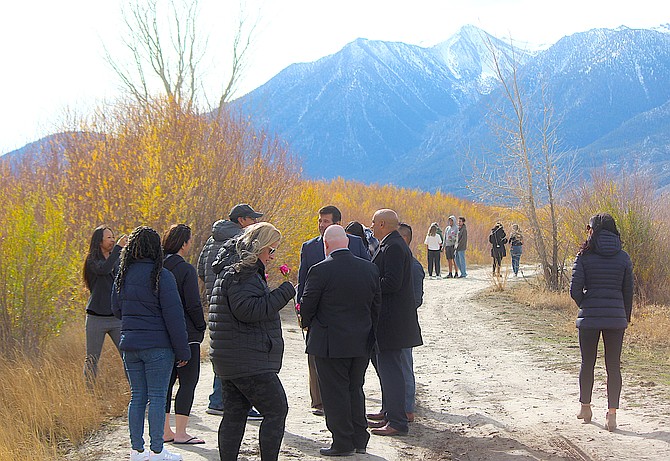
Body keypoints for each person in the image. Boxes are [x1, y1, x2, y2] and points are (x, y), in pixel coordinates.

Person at [208, 222, 295, 461]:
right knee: (276, 410)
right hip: (247, 359)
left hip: (232, 359)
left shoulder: (234, 271)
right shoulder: (242, 273)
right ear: (258, 248)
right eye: (271, 250)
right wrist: (284, 293)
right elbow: (247, 310)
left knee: (235, 414)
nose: (272, 256)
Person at [300, 225, 381, 456]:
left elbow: (307, 306)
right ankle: (359, 439)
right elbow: (376, 306)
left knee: (334, 394)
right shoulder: (369, 269)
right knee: (355, 389)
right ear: (346, 242)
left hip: (329, 343)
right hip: (361, 341)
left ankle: (342, 442)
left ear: (326, 245)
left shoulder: (320, 270)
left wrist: (308, 323)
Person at [111, 226, 190, 461]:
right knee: (157, 396)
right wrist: (183, 350)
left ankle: (137, 451)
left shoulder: (122, 275)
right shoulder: (162, 275)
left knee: (137, 397)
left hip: (130, 345)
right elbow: (174, 316)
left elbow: (116, 310)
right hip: (158, 346)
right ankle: (157, 450)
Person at [297, 206, 370, 416]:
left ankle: (344, 401)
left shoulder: (354, 243)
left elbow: (366, 273)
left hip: (349, 311)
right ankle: (319, 401)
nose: (321, 225)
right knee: (315, 357)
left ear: (337, 223)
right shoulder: (309, 247)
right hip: (318, 312)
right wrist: (302, 309)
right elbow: (303, 280)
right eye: (320, 221)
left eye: (326, 221)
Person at [197, 203, 264, 418]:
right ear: (241, 220)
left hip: (214, 300)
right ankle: (224, 401)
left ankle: (218, 400)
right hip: (234, 302)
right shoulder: (241, 241)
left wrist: (213, 288)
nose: (254, 222)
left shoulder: (211, 240)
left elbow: (200, 269)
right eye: (252, 219)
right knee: (237, 354)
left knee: (222, 351)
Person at [570, 213, 633, 432]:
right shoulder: (623, 257)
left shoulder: (584, 256)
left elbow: (574, 290)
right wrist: (624, 317)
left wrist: (585, 303)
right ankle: (612, 415)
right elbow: (628, 292)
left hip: (589, 317)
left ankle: (585, 407)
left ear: (592, 231)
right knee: (613, 366)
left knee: (587, 363)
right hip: (616, 319)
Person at [367, 209, 422, 436]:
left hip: (392, 321)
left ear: (382, 224)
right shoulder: (390, 244)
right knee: (389, 369)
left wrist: (367, 284)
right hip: (391, 320)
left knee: (392, 371)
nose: (370, 226)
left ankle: (397, 421)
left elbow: (391, 282)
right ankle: (390, 412)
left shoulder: (394, 246)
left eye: (373, 223)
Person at [162, 224, 207, 445]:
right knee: (188, 382)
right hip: (187, 333)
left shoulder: (157, 267)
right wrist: (201, 326)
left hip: (161, 334)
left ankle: (164, 430)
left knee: (165, 384)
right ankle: (181, 432)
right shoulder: (186, 270)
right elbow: (193, 304)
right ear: (184, 243)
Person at [83, 225, 128, 386]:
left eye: (113, 237)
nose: (112, 240)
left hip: (116, 317)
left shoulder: (117, 258)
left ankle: (136, 392)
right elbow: (103, 270)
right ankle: (89, 394)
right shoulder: (92, 260)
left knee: (127, 355)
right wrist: (117, 250)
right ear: (99, 241)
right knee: (92, 358)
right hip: (96, 317)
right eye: (109, 237)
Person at [398, 222, 424, 422]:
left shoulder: (414, 267)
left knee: (405, 368)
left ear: (404, 239)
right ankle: (390, 408)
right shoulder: (395, 262)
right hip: (391, 326)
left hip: (404, 326)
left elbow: (416, 300)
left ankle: (407, 410)